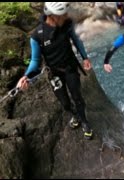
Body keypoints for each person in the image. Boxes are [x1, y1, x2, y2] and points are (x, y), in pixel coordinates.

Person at [16, 2, 93, 140]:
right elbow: (35, 61)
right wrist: (26, 76)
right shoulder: (37, 36)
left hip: (70, 67)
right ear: (53, 16)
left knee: (77, 97)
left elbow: (76, 40)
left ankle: (85, 122)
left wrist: (85, 58)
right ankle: (74, 116)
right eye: (63, 15)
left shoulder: (67, 24)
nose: (66, 16)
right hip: (54, 72)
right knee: (64, 102)